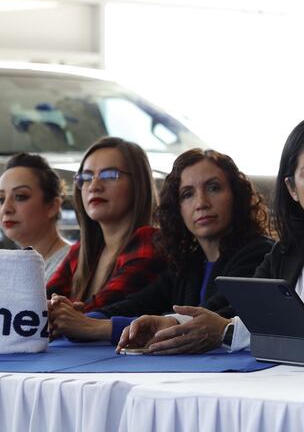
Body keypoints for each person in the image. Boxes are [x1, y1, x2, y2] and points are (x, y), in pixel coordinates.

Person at [117, 116, 304, 356]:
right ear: (292, 189)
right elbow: (236, 313)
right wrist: (173, 325)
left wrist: (224, 332)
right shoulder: (287, 252)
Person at [47, 149, 273, 344]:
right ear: (177, 208)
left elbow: (210, 318)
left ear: (237, 196)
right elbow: (139, 302)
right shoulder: (190, 262)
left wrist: (92, 327)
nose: (201, 203)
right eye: (187, 194)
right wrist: (84, 317)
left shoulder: (260, 253)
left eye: (213, 188)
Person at [46, 137, 163, 313]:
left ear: (138, 183)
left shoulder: (150, 242)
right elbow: (37, 304)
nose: (94, 186)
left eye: (109, 176)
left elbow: (102, 312)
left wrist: (55, 314)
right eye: (85, 177)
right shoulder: (81, 251)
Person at [0, 153, 71, 280]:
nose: (6, 208)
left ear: (52, 206)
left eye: (20, 196)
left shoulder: (73, 265)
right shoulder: (12, 268)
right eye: (1, 199)